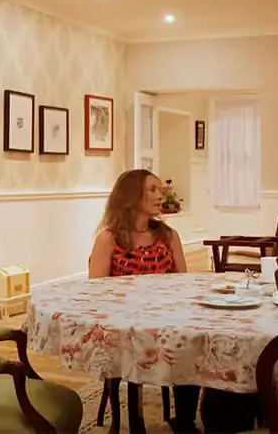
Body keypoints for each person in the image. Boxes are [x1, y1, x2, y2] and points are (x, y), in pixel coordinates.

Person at [88, 169, 199, 432]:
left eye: (160, 190)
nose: (161, 196)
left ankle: (184, 421)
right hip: (125, 325)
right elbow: (97, 291)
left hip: (166, 319)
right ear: (131, 196)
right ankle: (135, 423)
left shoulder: (168, 236)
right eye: (153, 190)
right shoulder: (109, 238)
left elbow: (182, 282)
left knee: (192, 343)